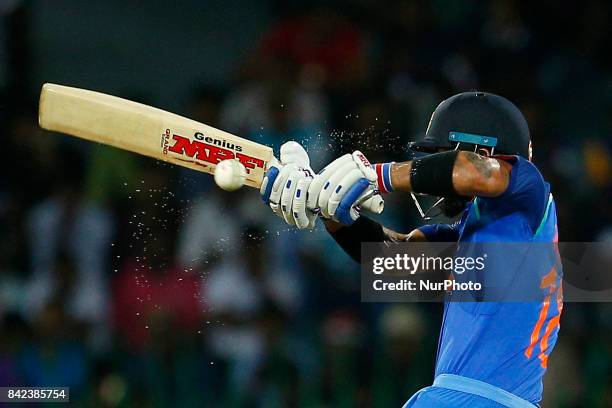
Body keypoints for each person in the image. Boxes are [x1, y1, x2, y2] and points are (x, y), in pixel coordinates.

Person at [260, 92, 562, 407]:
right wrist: (328, 208)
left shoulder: (529, 187)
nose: (432, 168)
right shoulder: (484, 234)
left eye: (441, 154)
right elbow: (388, 259)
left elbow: (475, 172)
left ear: (483, 150)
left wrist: (376, 176)